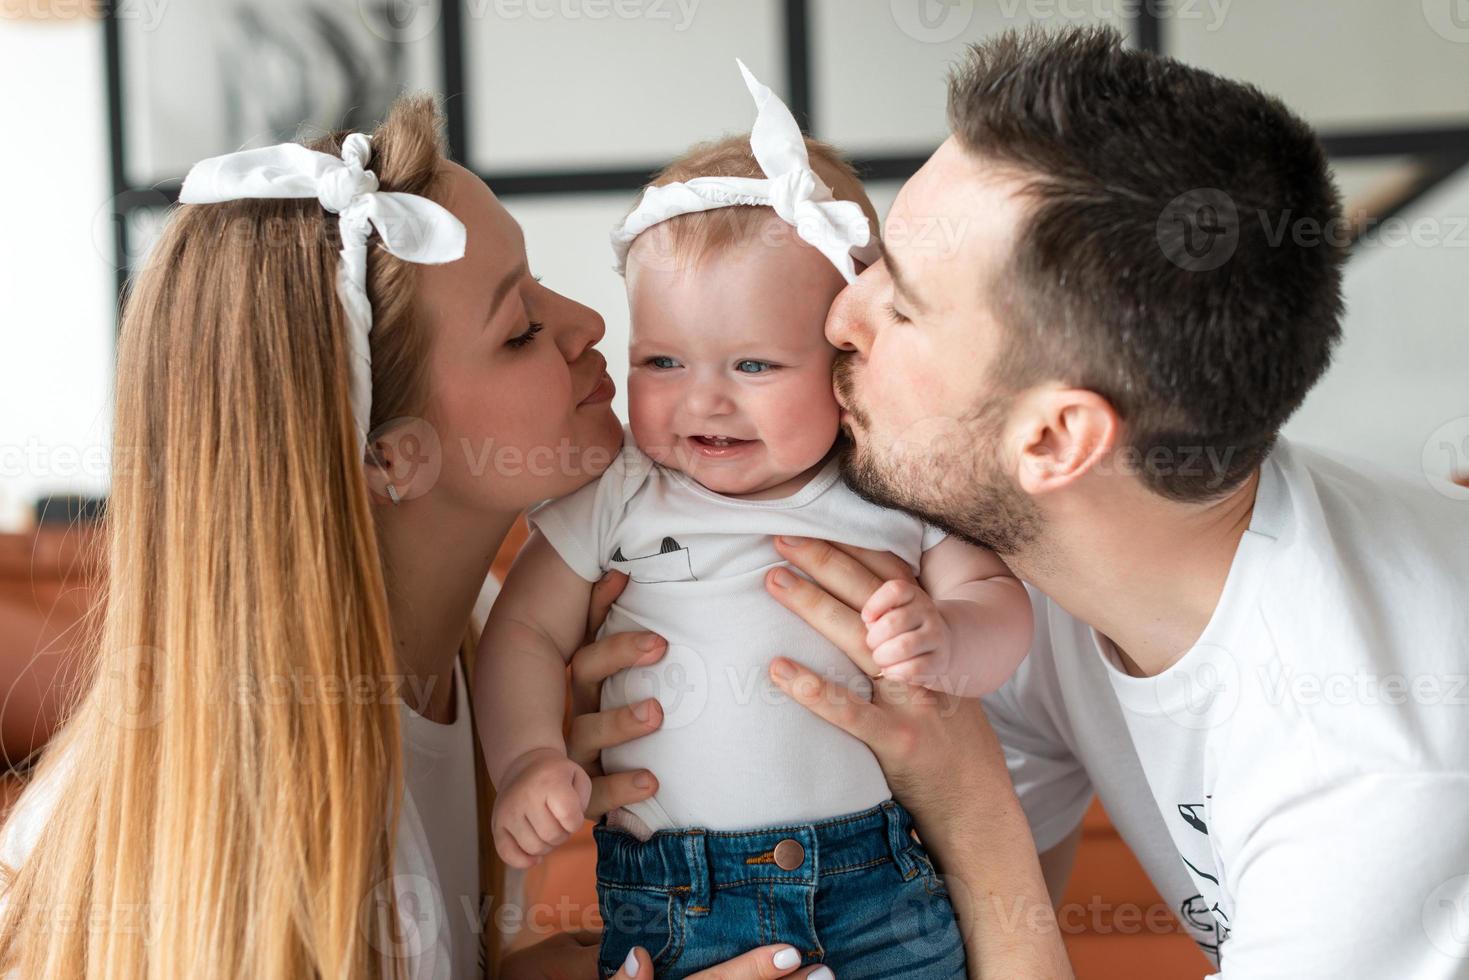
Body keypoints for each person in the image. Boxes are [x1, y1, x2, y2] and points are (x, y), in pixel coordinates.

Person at [0, 94, 1024, 980]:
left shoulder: (479, 644)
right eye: (519, 326)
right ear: (391, 457)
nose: (587, 321)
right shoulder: (250, 834)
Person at [761, 26, 1469, 979]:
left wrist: (970, 804)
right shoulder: (1032, 583)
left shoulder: (1373, 774)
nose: (839, 318)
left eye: (902, 306)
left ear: (1054, 440)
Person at [475, 63, 1033, 979]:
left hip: (878, 882)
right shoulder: (621, 487)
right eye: (660, 359)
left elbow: (996, 602)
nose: (704, 402)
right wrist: (531, 756)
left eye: (754, 367)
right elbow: (524, 630)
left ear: (846, 361)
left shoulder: (887, 484)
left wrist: (948, 640)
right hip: (679, 894)